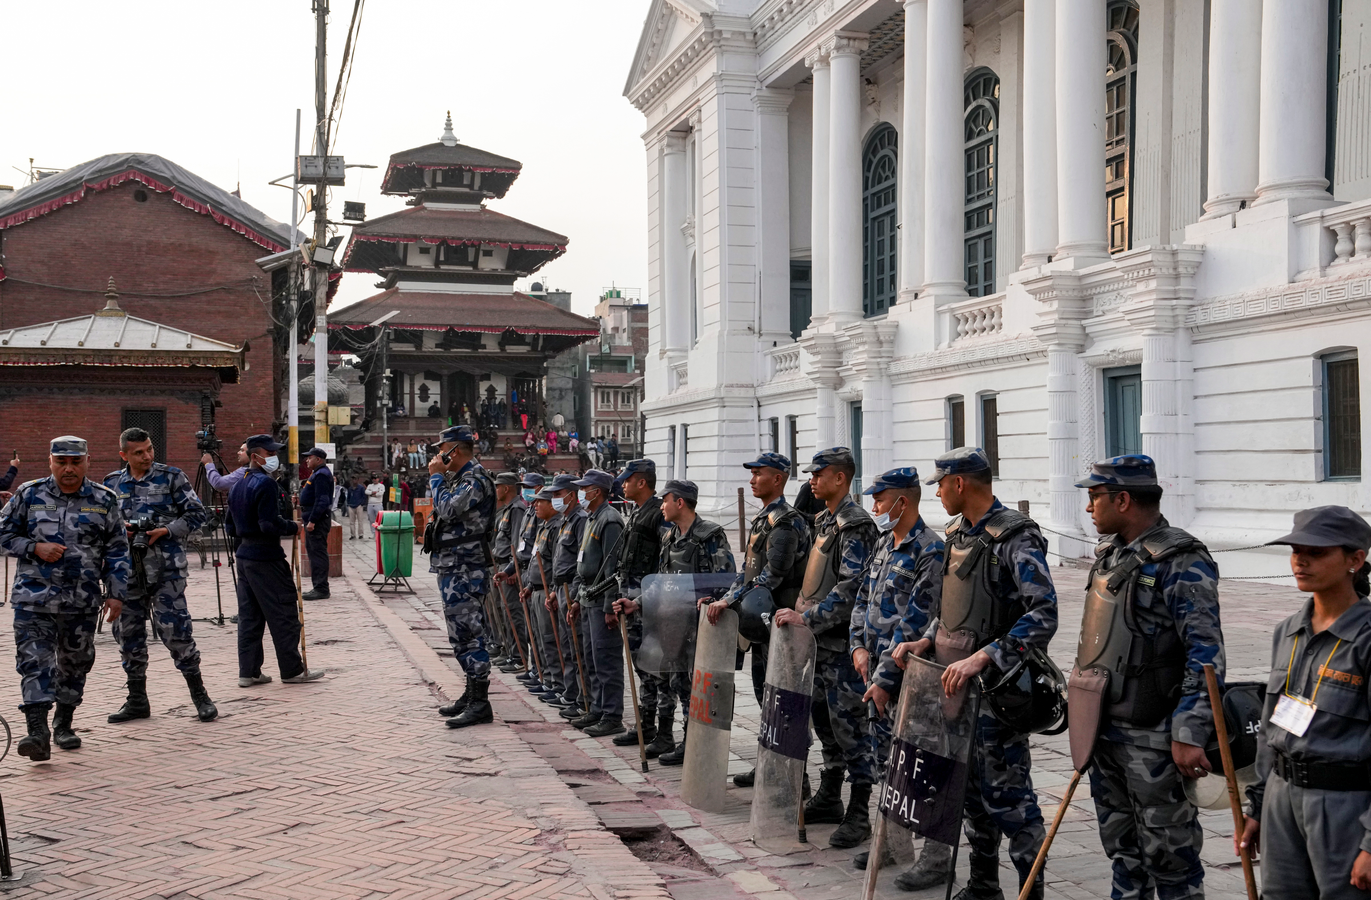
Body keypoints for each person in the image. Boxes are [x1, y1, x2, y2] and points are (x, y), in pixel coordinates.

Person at [893, 446, 1058, 900]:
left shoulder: (1014, 537)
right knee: (968, 796)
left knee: (1012, 803)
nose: (939, 493)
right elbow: (951, 609)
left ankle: (1031, 892)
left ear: (960, 483)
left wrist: (987, 656)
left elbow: (1043, 613)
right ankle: (983, 885)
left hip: (995, 697)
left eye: (941, 484)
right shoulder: (955, 534)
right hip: (952, 690)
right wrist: (926, 638)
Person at [1061, 455, 1224, 900]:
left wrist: (1190, 731)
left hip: (1154, 736)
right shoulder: (1111, 555)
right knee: (1124, 852)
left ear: (1124, 499)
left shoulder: (1180, 559)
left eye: (1095, 496)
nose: (1090, 506)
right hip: (1105, 728)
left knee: (1170, 858)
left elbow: (1206, 655)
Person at [1239, 506, 1371, 900]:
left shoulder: (1366, 639)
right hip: (1282, 798)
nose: (1300, 560)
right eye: (1296, 550)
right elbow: (1271, 728)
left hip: (1343, 807)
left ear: (1355, 559)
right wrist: (1258, 807)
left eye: (1316, 552)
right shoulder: (1289, 631)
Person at [765, 448, 878, 849]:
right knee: (825, 725)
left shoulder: (856, 525)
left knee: (852, 731)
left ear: (841, 479)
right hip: (817, 646)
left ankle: (860, 811)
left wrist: (807, 620)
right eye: (811, 473)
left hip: (842, 646)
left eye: (820, 473)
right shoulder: (824, 520)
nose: (812, 479)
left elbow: (852, 589)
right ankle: (831, 796)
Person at [0, 436, 128, 761]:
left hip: (82, 601)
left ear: (87, 461)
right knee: (34, 664)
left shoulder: (105, 499)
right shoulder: (29, 494)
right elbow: (3, 532)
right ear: (50, 461)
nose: (68, 468)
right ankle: (38, 733)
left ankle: (64, 724)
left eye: (75, 462)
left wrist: (116, 592)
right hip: (33, 600)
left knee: (75, 665)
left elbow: (117, 550)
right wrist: (33, 547)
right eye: (61, 461)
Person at [848, 466, 947, 884]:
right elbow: (862, 597)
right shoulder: (885, 544)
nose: (875, 507)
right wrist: (856, 644)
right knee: (888, 761)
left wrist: (886, 678)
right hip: (874, 671)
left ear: (902, 501)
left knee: (923, 766)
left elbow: (917, 621)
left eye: (880, 499)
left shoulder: (930, 550)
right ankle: (892, 842)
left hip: (910, 678)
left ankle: (937, 857)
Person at [103, 427, 216, 725]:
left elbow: (196, 515)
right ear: (124, 455)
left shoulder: (171, 477)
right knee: (128, 636)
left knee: (177, 632)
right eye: (138, 452)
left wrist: (165, 530)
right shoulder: (111, 483)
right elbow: (104, 526)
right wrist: (121, 531)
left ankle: (200, 696)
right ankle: (137, 700)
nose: (147, 456)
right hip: (127, 573)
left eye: (150, 449)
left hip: (167, 571)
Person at [713, 451, 810, 787]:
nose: (752, 480)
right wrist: (726, 598)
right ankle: (770, 762)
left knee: (784, 699)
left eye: (759, 474)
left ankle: (796, 776)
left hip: (779, 624)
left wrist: (731, 600)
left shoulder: (785, 521)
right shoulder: (764, 519)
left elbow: (774, 574)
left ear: (778, 478)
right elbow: (748, 570)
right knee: (765, 696)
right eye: (751, 474)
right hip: (760, 622)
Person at [226, 435, 323, 687]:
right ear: (257, 455)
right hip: (266, 556)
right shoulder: (265, 484)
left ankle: (249, 671)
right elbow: (268, 524)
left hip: (245, 556)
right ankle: (291, 669)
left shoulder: (237, 485)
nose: (274, 458)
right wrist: (291, 526)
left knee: (250, 617)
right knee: (283, 612)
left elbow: (230, 527)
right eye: (270, 453)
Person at [657, 479, 735, 766]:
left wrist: (710, 599)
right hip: (674, 624)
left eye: (665, 500)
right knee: (680, 683)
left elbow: (726, 577)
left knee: (702, 688)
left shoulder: (710, 535)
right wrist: (637, 603)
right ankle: (689, 743)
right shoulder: (669, 538)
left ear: (680, 502)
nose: (662, 505)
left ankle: (702, 746)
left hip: (702, 626)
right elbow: (663, 580)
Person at [428, 425, 498, 729]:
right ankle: (471, 694)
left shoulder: (475, 479)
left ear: (454, 450)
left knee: (469, 633)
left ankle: (481, 703)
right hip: (453, 565)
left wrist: (434, 477)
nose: (436, 455)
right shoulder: (459, 478)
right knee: (459, 634)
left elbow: (447, 508)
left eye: (441, 448)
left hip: (466, 568)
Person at [609, 459, 671, 755]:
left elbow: (666, 560)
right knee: (640, 667)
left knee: (655, 668)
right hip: (631, 599)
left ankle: (663, 732)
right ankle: (645, 726)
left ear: (641, 482)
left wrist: (644, 599)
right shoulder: (637, 513)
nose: (623, 484)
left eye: (627, 480)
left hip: (650, 602)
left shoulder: (659, 514)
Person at [570, 469, 626, 737]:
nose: (582, 492)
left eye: (586, 487)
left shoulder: (610, 520)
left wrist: (609, 606)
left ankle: (612, 715)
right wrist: (577, 598)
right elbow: (584, 563)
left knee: (607, 660)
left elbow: (612, 569)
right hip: (587, 596)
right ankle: (597, 708)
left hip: (601, 599)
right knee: (592, 658)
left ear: (598, 491)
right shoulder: (593, 517)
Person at [549, 474, 592, 722]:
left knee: (578, 649)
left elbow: (579, 562)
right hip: (561, 588)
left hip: (572, 589)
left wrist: (573, 595)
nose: (554, 498)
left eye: (557, 494)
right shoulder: (566, 520)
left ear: (570, 495)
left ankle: (583, 699)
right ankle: (573, 694)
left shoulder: (580, 520)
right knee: (567, 647)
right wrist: (555, 589)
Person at [488, 472, 528, 675]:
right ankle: (508, 651)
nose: (495, 491)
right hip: (501, 566)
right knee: (502, 612)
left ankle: (518, 656)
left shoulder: (517, 509)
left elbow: (516, 543)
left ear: (506, 488)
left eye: (497, 486)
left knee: (513, 614)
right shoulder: (506, 510)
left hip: (509, 567)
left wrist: (514, 570)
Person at [297, 448, 335, 601]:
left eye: (309, 458)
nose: (306, 460)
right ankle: (318, 586)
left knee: (317, 553)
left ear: (318, 459)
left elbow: (322, 500)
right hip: (313, 518)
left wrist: (312, 520)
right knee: (313, 553)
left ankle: (321, 589)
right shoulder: (317, 473)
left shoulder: (321, 475)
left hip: (317, 521)